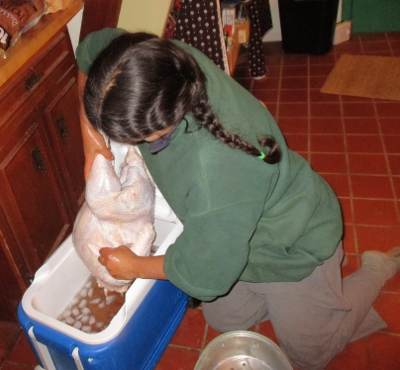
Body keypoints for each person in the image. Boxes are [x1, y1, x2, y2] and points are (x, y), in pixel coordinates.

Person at [76, 28, 400, 370]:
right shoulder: (164, 62)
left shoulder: (214, 173)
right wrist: (89, 136)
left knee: (311, 355)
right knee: (224, 318)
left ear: (164, 121)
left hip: (293, 246)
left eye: (135, 136)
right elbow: (89, 52)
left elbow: (204, 272)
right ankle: (297, 300)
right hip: (238, 236)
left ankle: (375, 269)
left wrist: (133, 266)